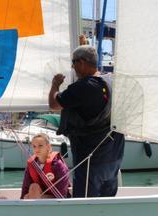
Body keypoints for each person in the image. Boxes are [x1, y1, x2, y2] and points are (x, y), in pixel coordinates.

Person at [48, 45, 125, 197]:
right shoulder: (110, 81)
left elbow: (54, 104)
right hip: (113, 155)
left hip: (91, 158)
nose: (72, 67)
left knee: (85, 204)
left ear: (81, 63)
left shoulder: (85, 86)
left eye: (73, 62)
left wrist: (55, 85)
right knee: (106, 203)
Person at [21, 133, 70, 199]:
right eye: (34, 146)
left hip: (56, 198)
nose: (37, 149)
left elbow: (62, 191)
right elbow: (25, 187)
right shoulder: (32, 164)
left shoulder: (58, 164)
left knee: (33, 191)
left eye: (40, 146)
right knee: (33, 188)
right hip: (38, 196)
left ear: (48, 147)